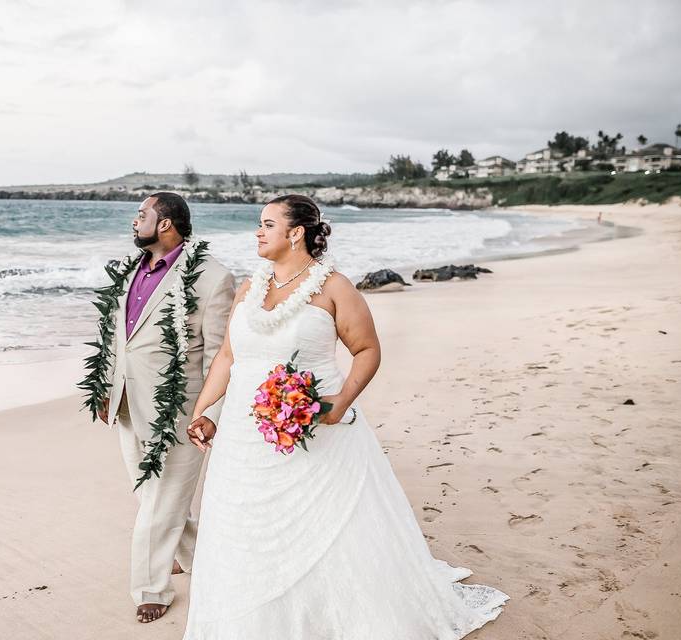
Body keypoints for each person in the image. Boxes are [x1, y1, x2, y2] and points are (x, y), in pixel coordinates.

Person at [182, 194, 509, 638]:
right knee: (247, 531)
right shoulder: (248, 288)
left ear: (296, 233)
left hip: (316, 432)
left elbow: (366, 350)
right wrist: (205, 411)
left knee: (322, 529)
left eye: (267, 224)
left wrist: (340, 403)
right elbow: (226, 356)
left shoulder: (334, 287)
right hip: (244, 436)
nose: (257, 232)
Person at [95, 192, 235, 623]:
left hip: (179, 409)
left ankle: (151, 588)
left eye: (143, 215)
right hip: (125, 404)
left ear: (167, 223)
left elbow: (218, 356)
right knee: (153, 494)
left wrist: (209, 412)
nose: (135, 221)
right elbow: (119, 336)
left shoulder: (212, 279)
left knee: (160, 502)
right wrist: (104, 385)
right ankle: (197, 554)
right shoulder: (130, 270)